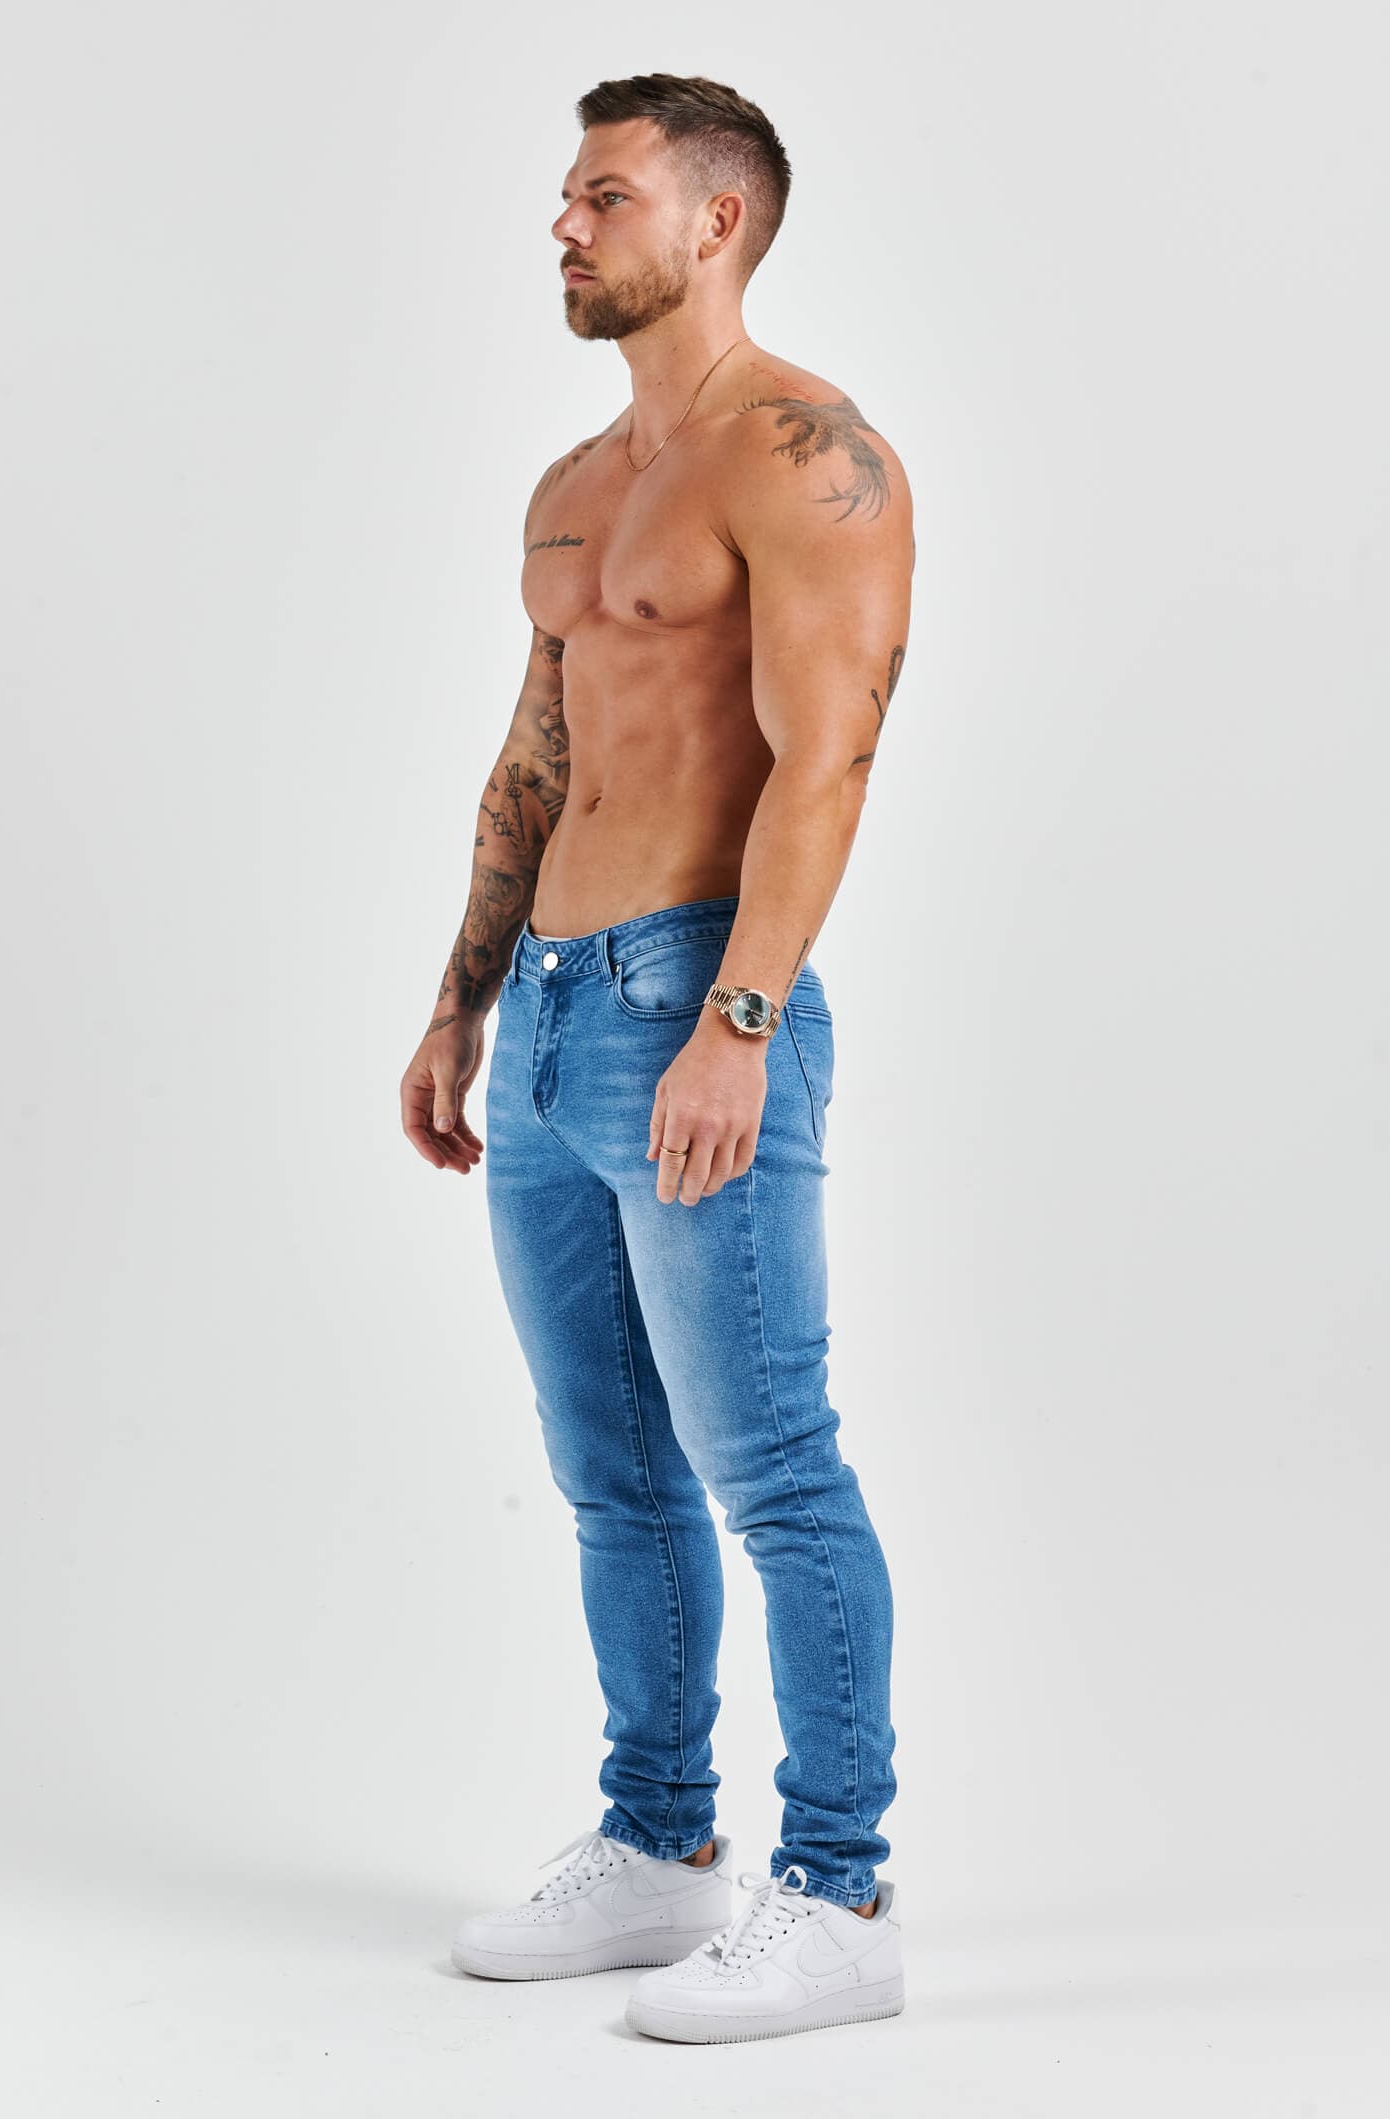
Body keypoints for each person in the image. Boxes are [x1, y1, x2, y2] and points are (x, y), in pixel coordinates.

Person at [400, 71, 913, 2045]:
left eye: (601, 196)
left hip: (697, 998)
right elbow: (536, 755)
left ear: (715, 219)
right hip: (549, 1010)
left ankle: (841, 1889)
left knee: (770, 1465)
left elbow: (827, 759)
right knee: (611, 1473)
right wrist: (462, 1000)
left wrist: (738, 1021)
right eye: (566, 195)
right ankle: (659, 1840)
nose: (563, 224)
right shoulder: (573, 484)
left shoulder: (809, 455)